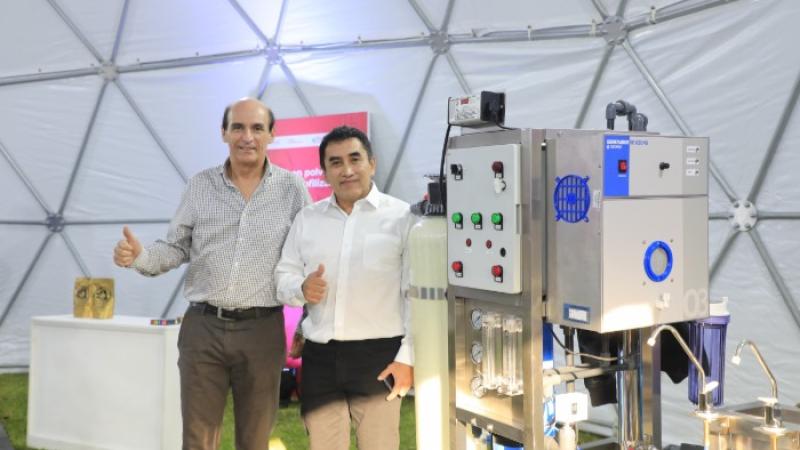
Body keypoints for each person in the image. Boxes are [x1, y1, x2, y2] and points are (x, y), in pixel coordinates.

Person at [112, 98, 309, 450]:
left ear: (272, 134)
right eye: (238, 127)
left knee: (255, 439)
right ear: (223, 133)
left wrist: (307, 322)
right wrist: (140, 256)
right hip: (203, 329)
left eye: (257, 128)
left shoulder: (292, 190)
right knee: (197, 439)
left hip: (262, 330)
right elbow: (176, 247)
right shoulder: (200, 186)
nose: (247, 137)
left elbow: (308, 258)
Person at [275, 126, 414, 450]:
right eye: (335, 162)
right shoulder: (307, 219)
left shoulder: (402, 217)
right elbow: (283, 274)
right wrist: (301, 287)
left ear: (372, 164)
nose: (347, 170)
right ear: (324, 172)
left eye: (355, 159)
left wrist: (407, 357)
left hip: (379, 357)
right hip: (320, 358)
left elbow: (415, 294)